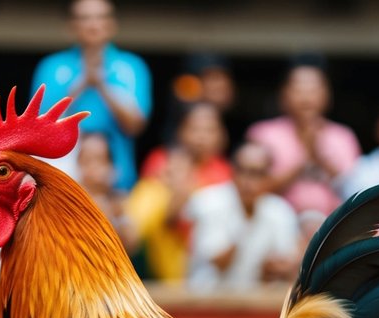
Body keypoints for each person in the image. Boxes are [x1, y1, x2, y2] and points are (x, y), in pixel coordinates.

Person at [32, 0, 151, 190]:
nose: (93, 24)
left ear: (113, 24)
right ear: (71, 26)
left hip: (118, 184)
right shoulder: (52, 67)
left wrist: (102, 84)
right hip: (61, 184)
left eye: (101, 17)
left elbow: (134, 125)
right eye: (85, 18)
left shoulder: (132, 66)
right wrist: (81, 83)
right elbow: (39, 129)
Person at [246, 56, 360, 216]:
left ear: (327, 95)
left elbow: (358, 193)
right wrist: (304, 160)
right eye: (299, 90)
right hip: (278, 228)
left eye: (313, 90)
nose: (306, 99)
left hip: (333, 229)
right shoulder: (263, 134)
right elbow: (251, 188)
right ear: (284, 95)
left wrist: (320, 158)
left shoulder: (343, 137)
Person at [186, 142, 300, 292]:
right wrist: (246, 223)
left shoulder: (280, 211)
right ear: (232, 173)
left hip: (254, 305)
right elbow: (219, 264)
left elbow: (286, 268)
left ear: (269, 178)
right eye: (242, 171)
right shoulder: (208, 201)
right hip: (206, 302)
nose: (248, 181)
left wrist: (274, 269)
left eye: (256, 174)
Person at [123, 146, 193, 283]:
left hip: (195, 286)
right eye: (170, 172)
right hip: (155, 285)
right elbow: (131, 238)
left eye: (181, 170)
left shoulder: (204, 196)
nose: (175, 177)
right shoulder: (151, 192)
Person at [140, 100, 231, 189]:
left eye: (210, 130)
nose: (201, 137)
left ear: (222, 135)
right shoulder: (161, 161)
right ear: (179, 131)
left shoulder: (225, 171)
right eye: (194, 129)